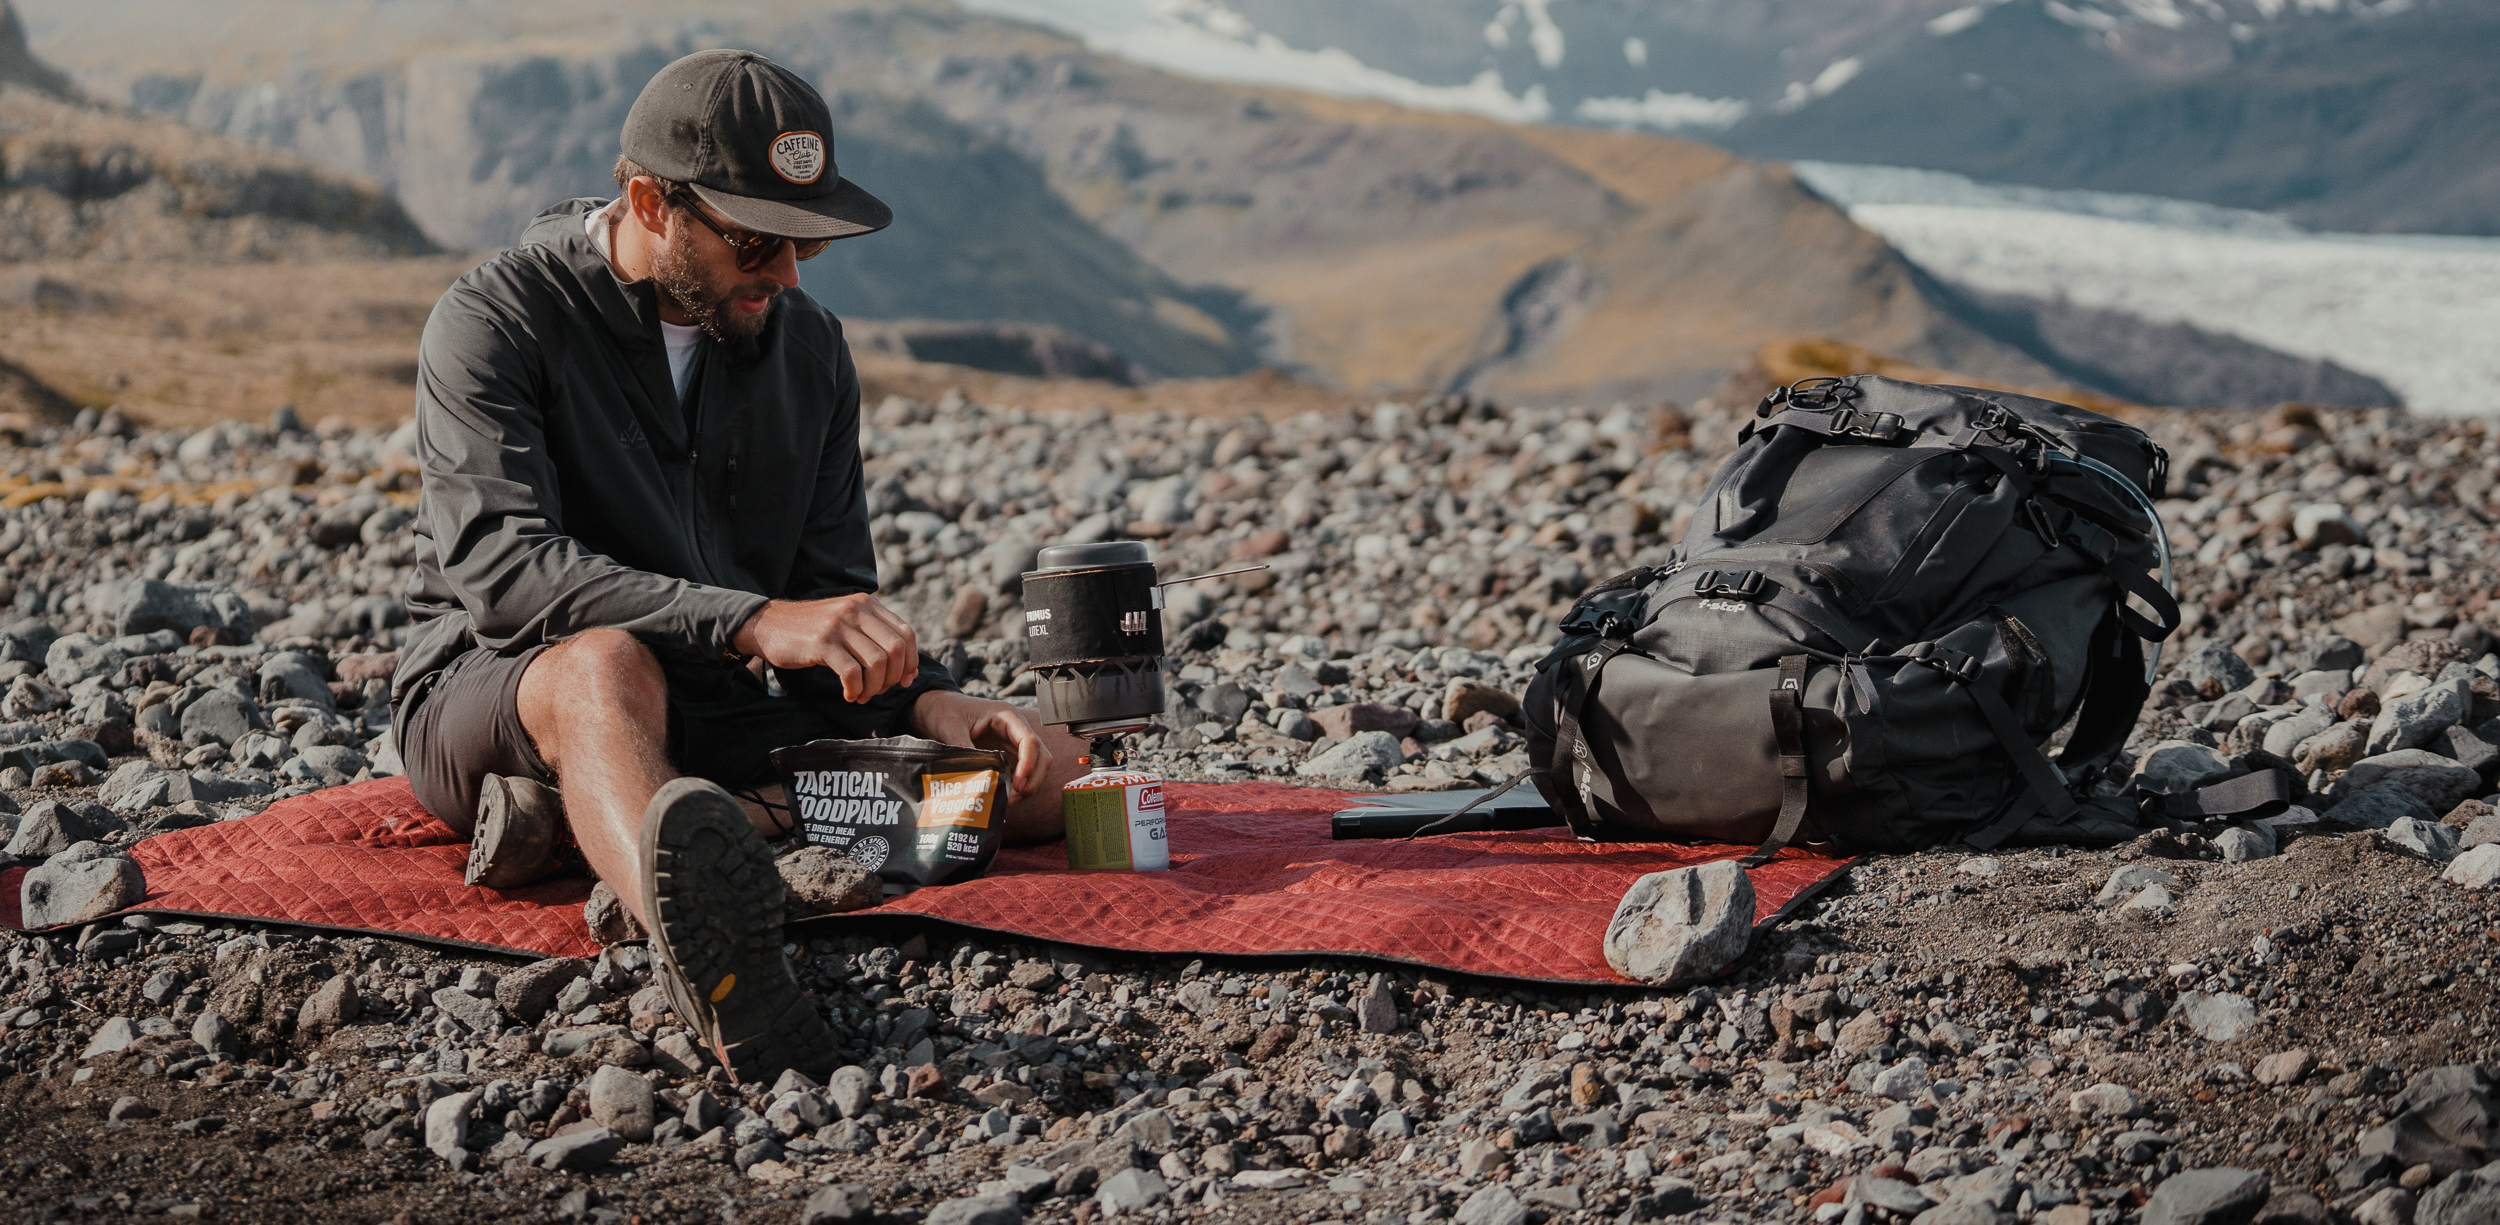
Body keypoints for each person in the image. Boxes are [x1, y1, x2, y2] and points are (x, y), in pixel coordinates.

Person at [389, 49, 1087, 1083]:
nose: (790, 274)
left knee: (1049, 778)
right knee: (604, 666)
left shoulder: (808, 349)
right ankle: (714, 967)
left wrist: (931, 704)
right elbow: (506, 573)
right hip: (500, 691)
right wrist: (752, 621)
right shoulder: (496, 320)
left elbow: (826, 603)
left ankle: (628, 823)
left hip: (721, 704)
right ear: (648, 202)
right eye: (757, 239)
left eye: (808, 240)